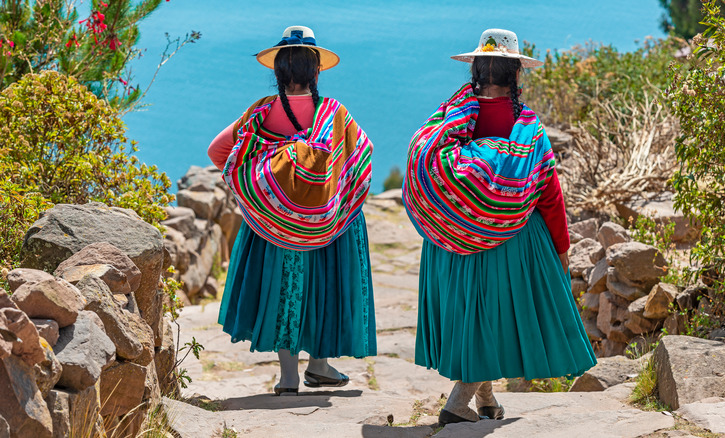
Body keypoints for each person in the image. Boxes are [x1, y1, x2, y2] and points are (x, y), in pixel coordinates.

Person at [403, 28, 597, 425]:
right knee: (492, 316)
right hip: (511, 240)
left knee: (472, 315)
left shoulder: (449, 116)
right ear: (516, 75)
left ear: (475, 70)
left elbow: (424, 160)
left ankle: (486, 398)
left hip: (453, 241)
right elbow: (549, 193)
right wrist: (561, 247)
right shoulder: (527, 129)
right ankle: (458, 403)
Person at [208, 25, 376, 396]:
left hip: (274, 227)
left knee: (285, 288)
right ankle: (319, 365)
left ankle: (288, 377)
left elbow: (218, 152)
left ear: (278, 72)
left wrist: (261, 188)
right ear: (316, 72)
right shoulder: (334, 114)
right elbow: (362, 158)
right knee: (324, 286)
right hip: (328, 227)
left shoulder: (261, 114)